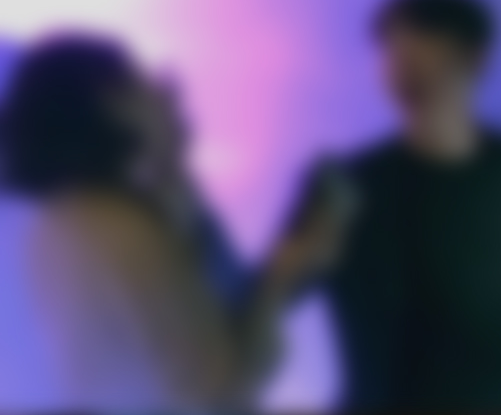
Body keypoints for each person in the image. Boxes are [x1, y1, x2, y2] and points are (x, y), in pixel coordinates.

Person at [276, 0, 501, 412]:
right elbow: (272, 294)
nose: (404, 65)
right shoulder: (344, 187)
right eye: (392, 51)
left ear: (475, 58)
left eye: (424, 46)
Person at [0, 34, 316, 411]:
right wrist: (283, 276)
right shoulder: (115, 225)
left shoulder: (75, 220)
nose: (168, 88)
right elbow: (217, 395)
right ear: (114, 104)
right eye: (141, 79)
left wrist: (172, 163)